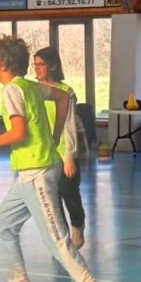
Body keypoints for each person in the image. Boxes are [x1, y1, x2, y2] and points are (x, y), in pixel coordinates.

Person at [0, 35, 121, 282]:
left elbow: (18, 132)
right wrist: (54, 137)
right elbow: (64, 99)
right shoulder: (31, 86)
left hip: (37, 171)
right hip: (30, 172)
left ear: (2, 63)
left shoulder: (13, 90)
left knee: (58, 243)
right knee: (2, 226)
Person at [33, 47, 86, 249]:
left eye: (41, 64)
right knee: (51, 197)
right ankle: (63, 237)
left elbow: (69, 124)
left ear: (53, 66)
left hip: (64, 150)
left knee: (68, 190)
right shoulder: (34, 90)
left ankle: (77, 224)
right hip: (45, 152)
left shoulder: (65, 92)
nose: (37, 68)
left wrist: (69, 155)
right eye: (35, 65)